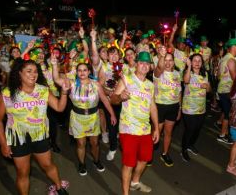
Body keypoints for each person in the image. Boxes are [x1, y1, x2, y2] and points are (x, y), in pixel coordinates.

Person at [0, 59, 70, 195]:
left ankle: (59, 188)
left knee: (48, 165)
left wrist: (64, 93)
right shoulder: (7, 94)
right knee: (23, 172)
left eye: (35, 71)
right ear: (19, 73)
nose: (33, 74)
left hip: (40, 136)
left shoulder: (43, 90)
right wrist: (3, 144)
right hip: (18, 139)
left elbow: (59, 107)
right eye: (28, 71)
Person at [51, 54, 117, 176]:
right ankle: (82, 164)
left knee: (95, 143)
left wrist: (112, 114)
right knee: (81, 144)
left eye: (85, 70)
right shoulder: (71, 84)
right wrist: (54, 65)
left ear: (89, 72)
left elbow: (105, 100)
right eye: (79, 70)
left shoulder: (96, 85)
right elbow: (56, 79)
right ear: (76, 72)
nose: (82, 72)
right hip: (77, 118)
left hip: (93, 118)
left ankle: (96, 161)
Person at [110, 51, 159, 195]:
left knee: (145, 159)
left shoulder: (150, 85)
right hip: (129, 129)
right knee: (129, 163)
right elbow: (113, 99)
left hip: (145, 129)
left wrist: (156, 128)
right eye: (141, 63)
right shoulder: (126, 79)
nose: (144, 66)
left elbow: (153, 107)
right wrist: (120, 97)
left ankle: (135, 182)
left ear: (150, 67)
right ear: (136, 64)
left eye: (147, 63)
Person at [153, 46, 182, 166]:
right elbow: (159, 67)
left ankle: (165, 154)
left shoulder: (177, 74)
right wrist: (162, 55)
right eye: (166, 60)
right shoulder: (158, 73)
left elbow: (179, 91)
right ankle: (147, 153)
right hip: (159, 106)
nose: (168, 62)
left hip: (173, 107)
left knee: (168, 132)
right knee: (156, 132)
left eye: (170, 60)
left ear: (174, 62)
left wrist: (179, 108)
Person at [181, 53, 210, 162]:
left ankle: (190, 145)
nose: (197, 63)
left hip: (201, 108)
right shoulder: (188, 72)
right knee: (190, 129)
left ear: (202, 63)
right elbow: (186, 81)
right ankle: (183, 150)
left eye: (199, 61)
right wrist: (188, 67)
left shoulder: (205, 74)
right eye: (194, 60)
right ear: (191, 62)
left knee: (197, 130)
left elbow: (209, 90)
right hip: (189, 108)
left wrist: (207, 86)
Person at [216, 38, 236, 144]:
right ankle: (223, 135)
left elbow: (217, 76)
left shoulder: (224, 58)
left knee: (227, 113)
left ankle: (224, 134)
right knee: (228, 114)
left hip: (222, 89)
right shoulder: (231, 59)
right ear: (234, 47)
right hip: (227, 90)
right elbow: (235, 77)